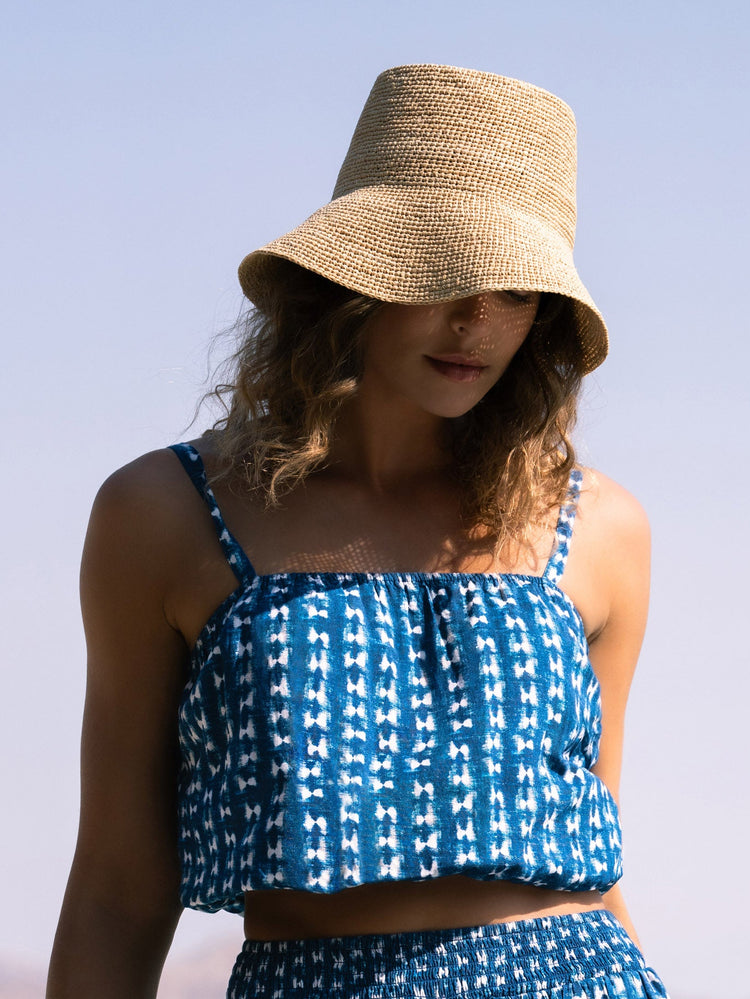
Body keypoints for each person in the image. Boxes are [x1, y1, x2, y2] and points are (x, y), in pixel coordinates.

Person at [47, 64, 670, 998]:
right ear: (355, 278)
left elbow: (595, 863)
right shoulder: (163, 513)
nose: (476, 322)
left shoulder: (601, 527)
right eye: (443, 273)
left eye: (515, 289)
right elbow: (116, 889)